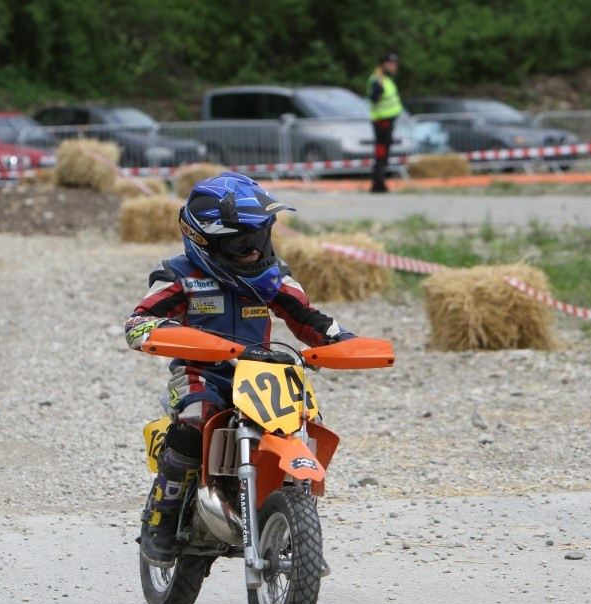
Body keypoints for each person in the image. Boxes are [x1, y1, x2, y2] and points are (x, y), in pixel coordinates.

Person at [124, 171, 354, 568]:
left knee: (305, 420)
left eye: (261, 237)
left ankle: (289, 509)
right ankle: (160, 519)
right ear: (204, 241)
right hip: (201, 373)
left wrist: (341, 340)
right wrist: (160, 332)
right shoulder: (179, 275)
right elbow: (139, 321)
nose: (253, 251)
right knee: (194, 422)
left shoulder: (272, 276)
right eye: (241, 241)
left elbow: (307, 317)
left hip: (259, 373)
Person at [367, 52, 402, 193]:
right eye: (391, 63)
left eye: (395, 63)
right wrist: (377, 91)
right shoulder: (378, 79)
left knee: (384, 154)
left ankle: (380, 182)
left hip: (387, 121)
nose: (394, 66)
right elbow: (374, 98)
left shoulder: (387, 79)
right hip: (382, 122)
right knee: (381, 154)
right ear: (384, 64)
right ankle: (378, 184)